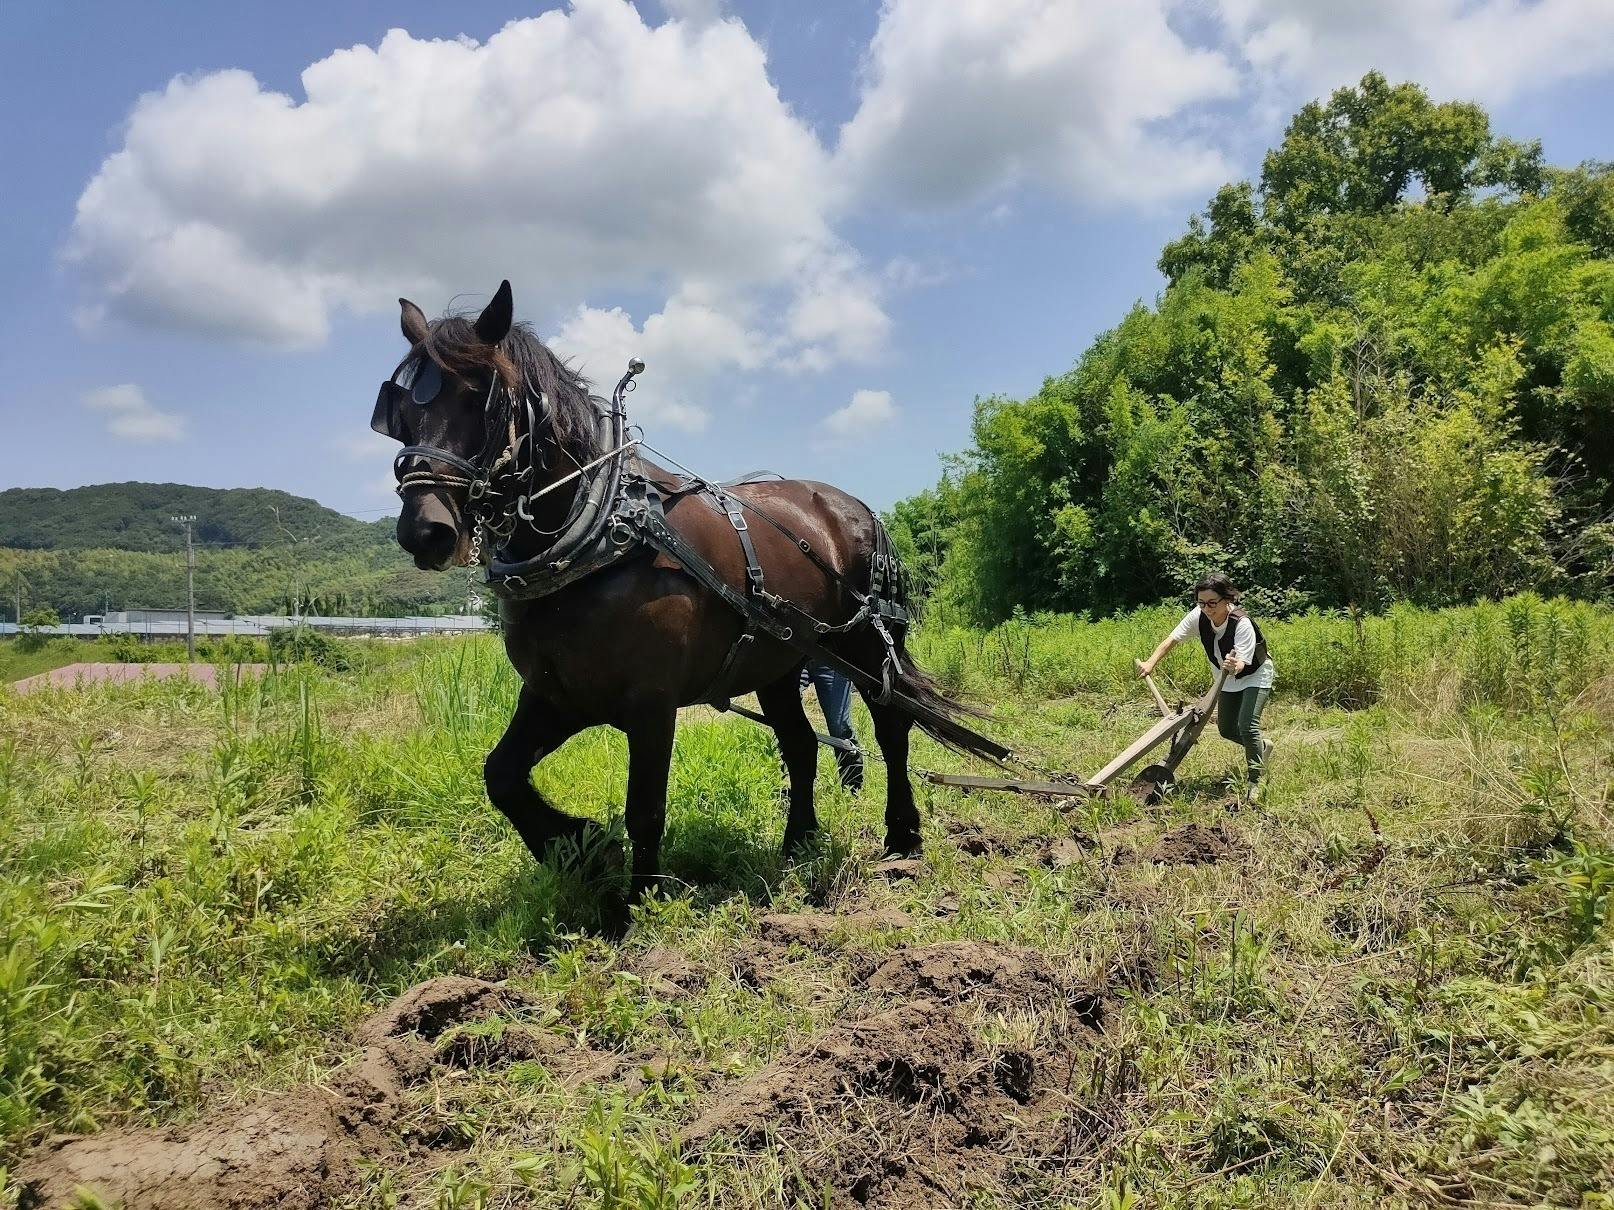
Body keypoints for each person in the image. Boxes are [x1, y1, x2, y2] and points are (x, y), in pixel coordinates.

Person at [1138, 573, 1275, 800]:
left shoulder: (1242, 624)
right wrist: (1151, 662)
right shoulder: (1198, 616)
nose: (1207, 608)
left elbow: (1242, 662)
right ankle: (1259, 747)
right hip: (1225, 677)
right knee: (1227, 730)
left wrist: (1235, 664)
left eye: (1212, 603)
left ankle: (1256, 782)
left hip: (1254, 675)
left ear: (1227, 599)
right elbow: (1172, 639)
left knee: (1247, 725)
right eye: (1201, 603)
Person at [801, 660, 865, 792]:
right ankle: (790, 785)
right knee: (785, 718)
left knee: (840, 727)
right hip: (793, 654)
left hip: (829, 657)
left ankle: (852, 788)